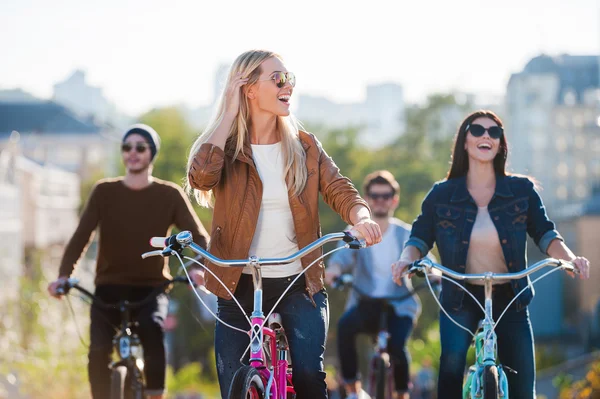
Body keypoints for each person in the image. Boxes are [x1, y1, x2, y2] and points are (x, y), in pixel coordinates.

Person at [185, 49, 382, 399]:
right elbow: (200, 178)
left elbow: (339, 189)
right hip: (236, 283)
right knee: (232, 385)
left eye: (289, 78)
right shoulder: (225, 148)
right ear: (248, 89)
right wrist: (229, 113)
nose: (286, 84)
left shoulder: (304, 146)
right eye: (277, 78)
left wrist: (361, 217)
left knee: (308, 377)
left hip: (299, 282)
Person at [391, 110, 591, 399]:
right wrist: (405, 260)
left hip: (510, 295)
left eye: (494, 131)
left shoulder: (521, 190)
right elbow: (419, 238)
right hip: (460, 294)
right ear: (464, 141)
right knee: (451, 362)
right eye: (478, 130)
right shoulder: (441, 194)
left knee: (523, 384)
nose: (486, 135)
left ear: (500, 143)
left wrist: (570, 259)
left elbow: (545, 233)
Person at [47, 124, 210, 399]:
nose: (132, 153)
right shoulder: (103, 192)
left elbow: (199, 239)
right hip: (107, 289)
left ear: (151, 154)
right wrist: (64, 275)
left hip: (152, 289)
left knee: (153, 331)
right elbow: (80, 237)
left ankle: (156, 394)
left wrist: (196, 269)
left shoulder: (169, 194)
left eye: (140, 147)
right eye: (127, 147)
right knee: (98, 349)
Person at [325, 170, 427, 399]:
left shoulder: (407, 233)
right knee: (344, 329)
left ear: (395, 199)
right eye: (375, 195)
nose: (380, 200)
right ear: (367, 199)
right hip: (366, 301)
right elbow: (341, 257)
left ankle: (402, 394)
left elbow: (426, 259)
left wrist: (433, 273)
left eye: (386, 195)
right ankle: (353, 390)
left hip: (400, 306)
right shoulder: (356, 232)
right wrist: (333, 271)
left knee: (398, 348)